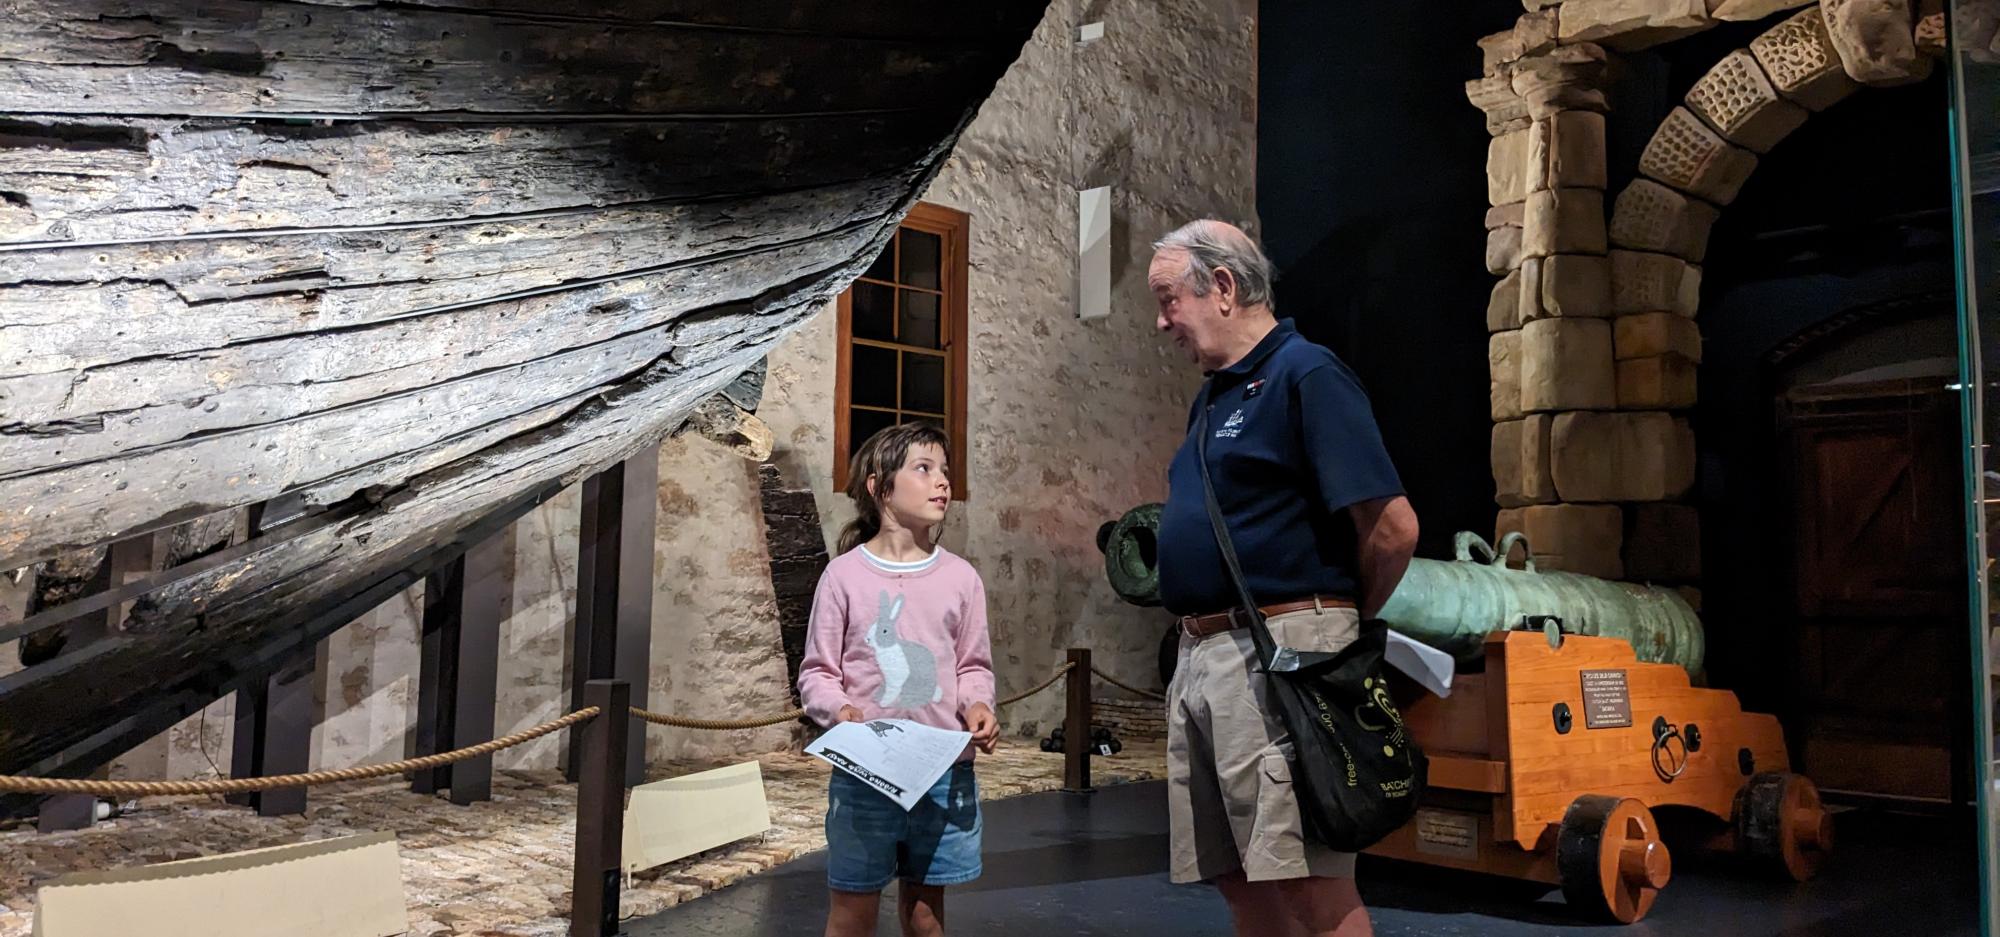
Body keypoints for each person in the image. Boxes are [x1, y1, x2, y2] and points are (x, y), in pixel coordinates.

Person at [1149, 220, 1420, 937]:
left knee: (1308, 878)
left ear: (1225, 287)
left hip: (1279, 653)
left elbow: (1393, 529)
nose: (1161, 321)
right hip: (1207, 657)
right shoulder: (1211, 398)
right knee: (1239, 878)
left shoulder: (1308, 374)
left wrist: (1327, 624)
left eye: (1169, 299)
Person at [797, 423, 1000, 937]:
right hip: (867, 776)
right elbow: (819, 673)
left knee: (926, 916)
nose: (942, 483)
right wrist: (840, 713)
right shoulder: (843, 576)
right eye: (924, 469)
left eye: (946, 472)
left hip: (943, 774)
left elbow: (972, 666)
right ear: (879, 486)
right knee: (851, 916)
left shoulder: (961, 579)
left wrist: (978, 706)